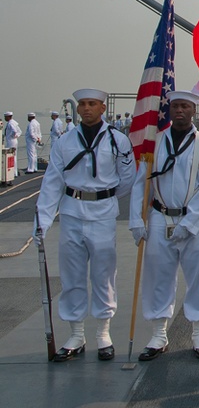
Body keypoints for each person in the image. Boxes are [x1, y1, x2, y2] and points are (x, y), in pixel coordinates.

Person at [35, 88, 136, 362]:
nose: (87, 108)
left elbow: (128, 177)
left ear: (103, 108)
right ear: (77, 109)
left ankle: (103, 334)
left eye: (92, 104)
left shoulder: (118, 140)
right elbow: (52, 182)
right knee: (72, 275)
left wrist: (105, 196)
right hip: (71, 213)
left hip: (103, 213)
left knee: (104, 274)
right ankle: (76, 334)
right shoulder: (64, 142)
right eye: (82, 104)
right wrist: (43, 221)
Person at [129, 90, 199, 360]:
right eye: (176, 106)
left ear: (194, 111)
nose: (180, 110)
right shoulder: (154, 143)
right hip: (160, 216)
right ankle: (158, 333)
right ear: (169, 110)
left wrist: (189, 222)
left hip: (195, 221)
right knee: (158, 275)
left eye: (185, 107)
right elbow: (140, 183)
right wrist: (136, 218)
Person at [3, 111, 21, 178]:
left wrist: (11, 136)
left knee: (11, 156)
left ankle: (13, 172)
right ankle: (14, 172)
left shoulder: (11, 123)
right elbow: (19, 131)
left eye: (5, 117)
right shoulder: (14, 122)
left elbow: (14, 131)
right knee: (14, 156)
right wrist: (16, 136)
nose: (5, 118)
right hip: (14, 140)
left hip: (11, 141)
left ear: (8, 117)